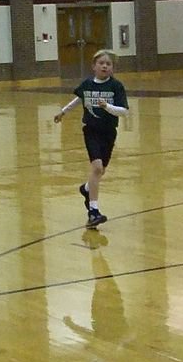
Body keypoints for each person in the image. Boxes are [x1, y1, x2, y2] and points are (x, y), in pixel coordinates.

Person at [55, 49, 129, 229]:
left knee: (101, 171)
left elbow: (124, 111)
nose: (104, 66)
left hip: (109, 132)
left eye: (108, 64)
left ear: (112, 68)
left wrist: (108, 107)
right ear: (93, 66)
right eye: (101, 63)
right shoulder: (87, 84)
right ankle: (93, 211)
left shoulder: (116, 86)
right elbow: (79, 99)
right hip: (91, 130)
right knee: (96, 168)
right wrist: (63, 112)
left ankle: (86, 189)